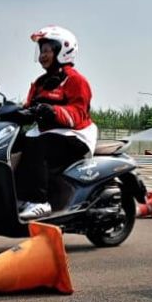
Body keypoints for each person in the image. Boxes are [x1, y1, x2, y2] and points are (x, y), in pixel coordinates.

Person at [16, 25, 97, 221]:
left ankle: (39, 202)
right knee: (16, 143)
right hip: (48, 134)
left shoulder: (76, 81)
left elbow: (78, 114)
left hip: (75, 136)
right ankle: (19, 196)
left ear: (63, 50)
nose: (42, 55)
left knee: (38, 147)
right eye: (40, 51)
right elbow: (28, 108)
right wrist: (9, 111)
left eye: (46, 50)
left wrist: (53, 111)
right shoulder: (40, 83)